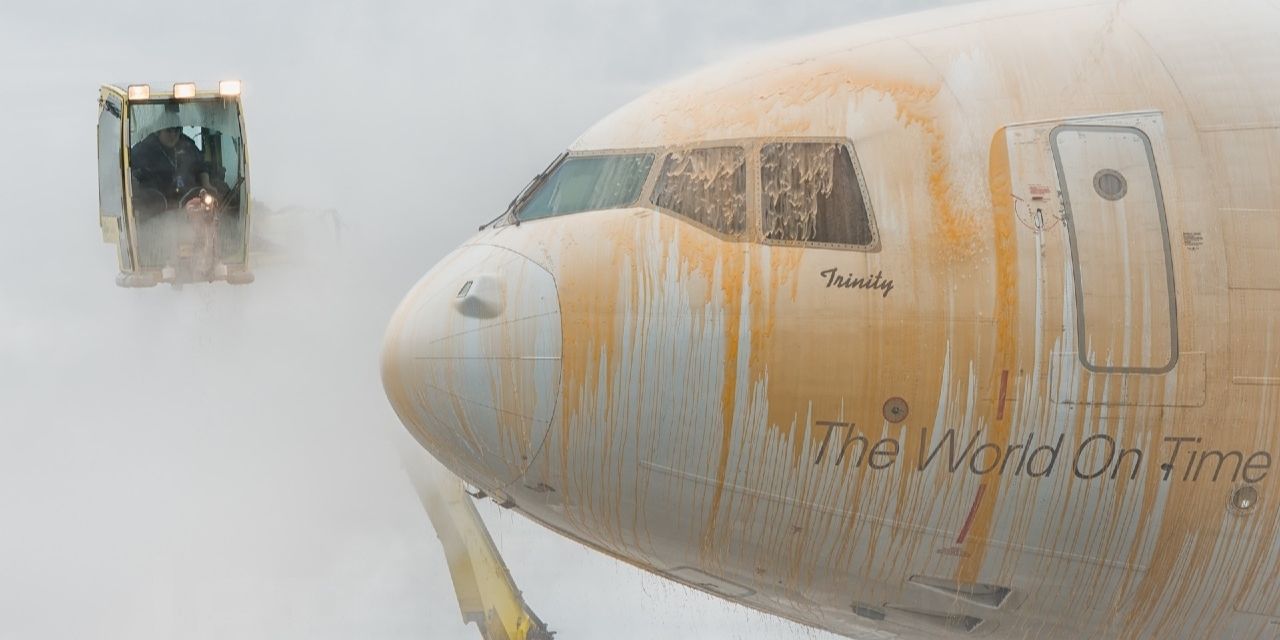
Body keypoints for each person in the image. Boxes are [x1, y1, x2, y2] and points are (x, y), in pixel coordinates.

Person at [129, 126, 216, 213]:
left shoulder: (187, 144)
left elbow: (201, 165)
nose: (173, 135)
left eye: (176, 131)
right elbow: (128, 168)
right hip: (157, 208)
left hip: (189, 203)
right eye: (169, 131)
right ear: (158, 131)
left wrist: (206, 184)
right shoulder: (145, 148)